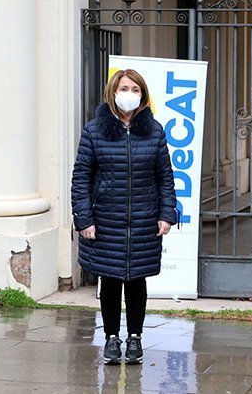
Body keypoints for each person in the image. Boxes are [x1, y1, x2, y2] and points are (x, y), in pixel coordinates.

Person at [71, 69, 177, 366]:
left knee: (136, 282)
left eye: (134, 89)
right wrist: (84, 218)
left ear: (142, 95)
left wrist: (167, 213)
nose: (128, 94)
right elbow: (81, 176)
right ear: (112, 92)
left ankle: (135, 338)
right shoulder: (94, 131)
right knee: (111, 280)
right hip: (106, 219)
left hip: (144, 219)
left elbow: (165, 176)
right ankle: (111, 338)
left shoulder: (154, 130)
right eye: (123, 88)